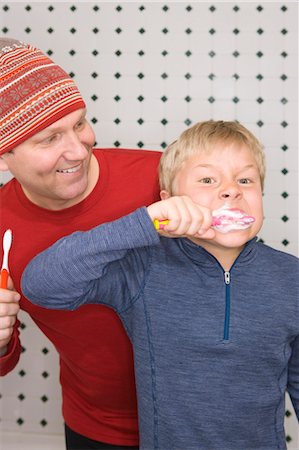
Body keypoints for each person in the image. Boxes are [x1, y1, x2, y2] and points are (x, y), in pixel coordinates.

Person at [21, 120, 299, 450]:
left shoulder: (290, 277)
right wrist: (145, 222)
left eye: (245, 180)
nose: (231, 189)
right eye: (208, 179)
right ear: (170, 199)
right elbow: (42, 285)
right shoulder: (145, 268)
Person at [0, 37, 162, 449]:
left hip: (196, 420)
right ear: (4, 157)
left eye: (79, 123)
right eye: (48, 138)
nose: (78, 149)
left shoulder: (161, 177)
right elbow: (6, 359)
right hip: (94, 428)